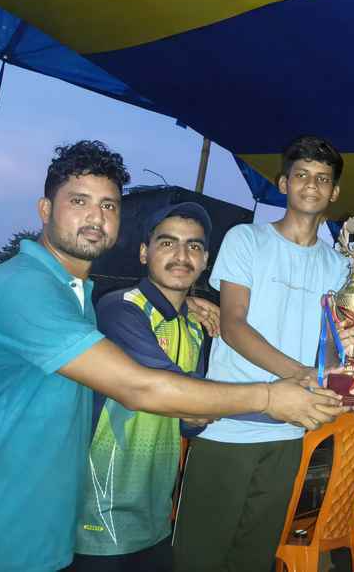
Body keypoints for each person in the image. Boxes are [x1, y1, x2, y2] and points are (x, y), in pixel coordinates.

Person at [0, 141, 343, 572]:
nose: (96, 217)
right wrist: (272, 397)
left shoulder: (80, 296)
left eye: (108, 205)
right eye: (79, 201)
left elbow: (184, 413)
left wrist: (185, 311)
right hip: (1, 527)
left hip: (65, 527)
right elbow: (141, 387)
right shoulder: (27, 288)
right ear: (45, 209)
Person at [171, 136, 350, 572]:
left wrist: (342, 378)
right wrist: (301, 375)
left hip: (289, 431)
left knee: (254, 557)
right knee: (197, 557)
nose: (311, 185)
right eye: (302, 175)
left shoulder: (340, 265)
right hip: (228, 425)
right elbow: (233, 326)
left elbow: (335, 343)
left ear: (334, 192)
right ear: (283, 184)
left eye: (322, 178)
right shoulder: (247, 239)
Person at [70, 202, 214, 571]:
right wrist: (269, 397)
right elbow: (167, 393)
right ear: (143, 253)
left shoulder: (195, 327)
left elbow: (188, 421)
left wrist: (196, 414)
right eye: (167, 243)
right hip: (100, 514)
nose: (181, 255)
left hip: (155, 516)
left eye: (194, 246)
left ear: (205, 260)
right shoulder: (121, 308)